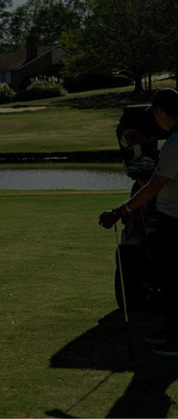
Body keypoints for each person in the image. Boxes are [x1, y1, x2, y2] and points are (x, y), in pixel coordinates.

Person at [100, 88, 178, 355]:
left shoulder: (174, 145)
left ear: (162, 112)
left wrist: (121, 211)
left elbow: (153, 187)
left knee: (171, 279)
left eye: (156, 113)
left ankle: (174, 339)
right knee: (170, 278)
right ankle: (169, 331)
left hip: (173, 219)